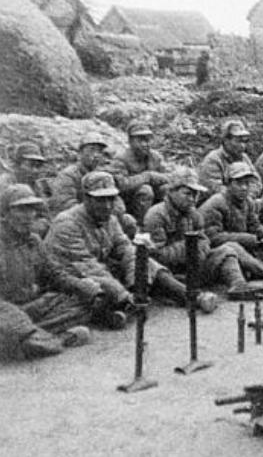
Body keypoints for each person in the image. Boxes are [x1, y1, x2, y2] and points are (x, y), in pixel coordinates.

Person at [47, 172, 215, 319]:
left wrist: (138, 281)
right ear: (86, 198)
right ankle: (118, 311)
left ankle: (190, 296)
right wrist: (123, 294)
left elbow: (126, 249)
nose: (107, 206)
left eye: (111, 199)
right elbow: (86, 266)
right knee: (95, 290)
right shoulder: (68, 223)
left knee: (144, 261)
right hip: (67, 276)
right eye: (100, 200)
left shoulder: (109, 219)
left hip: (98, 268)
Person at [143, 167, 263, 301]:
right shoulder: (156, 215)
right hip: (173, 275)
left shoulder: (193, 214)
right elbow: (156, 255)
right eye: (187, 194)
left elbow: (204, 240)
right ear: (172, 191)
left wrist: (201, 248)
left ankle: (238, 285)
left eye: (195, 194)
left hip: (194, 268)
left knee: (227, 250)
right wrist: (189, 246)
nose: (192, 199)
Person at [0, 184, 92, 361]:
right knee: (11, 326)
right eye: (21, 209)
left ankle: (30, 336)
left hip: (29, 306)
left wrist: (82, 287)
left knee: (83, 301)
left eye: (32, 209)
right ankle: (56, 339)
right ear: (5, 213)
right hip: (4, 310)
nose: (28, 216)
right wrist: (16, 317)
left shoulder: (33, 240)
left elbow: (53, 273)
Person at [200, 162, 263, 278]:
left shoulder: (248, 202)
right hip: (222, 251)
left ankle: (250, 268)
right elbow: (213, 238)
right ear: (228, 184)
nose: (244, 188)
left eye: (247, 183)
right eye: (239, 183)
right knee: (232, 249)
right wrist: (250, 239)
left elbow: (254, 225)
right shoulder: (216, 203)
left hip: (244, 247)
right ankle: (261, 269)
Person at [105, 120, 170, 225]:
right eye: (140, 140)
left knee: (167, 189)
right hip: (129, 202)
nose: (145, 144)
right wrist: (146, 177)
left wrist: (155, 177)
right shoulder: (121, 159)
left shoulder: (155, 157)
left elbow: (169, 177)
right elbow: (122, 185)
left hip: (153, 200)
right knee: (145, 190)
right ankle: (141, 224)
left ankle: (165, 220)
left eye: (147, 140)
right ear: (130, 141)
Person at [198, 120, 262, 198]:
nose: (242, 145)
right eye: (238, 141)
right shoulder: (213, 159)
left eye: (244, 141)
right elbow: (215, 188)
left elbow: (256, 182)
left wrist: (248, 196)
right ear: (226, 141)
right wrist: (240, 197)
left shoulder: (244, 158)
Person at [0, 142, 51, 237]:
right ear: (17, 165)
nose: (35, 170)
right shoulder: (5, 183)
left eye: (38, 166)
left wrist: (39, 225)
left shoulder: (35, 185)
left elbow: (45, 214)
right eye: (31, 165)